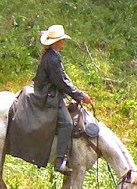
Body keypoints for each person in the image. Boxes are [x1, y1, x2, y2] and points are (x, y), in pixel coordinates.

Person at [33, 24, 93, 174]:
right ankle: (59, 161)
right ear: (57, 42)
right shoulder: (53, 58)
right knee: (67, 123)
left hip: (48, 91)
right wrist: (80, 95)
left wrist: (76, 92)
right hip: (48, 95)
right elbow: (61, 82)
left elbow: (63, 78)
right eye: (61, 40)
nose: (63, 43)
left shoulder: (51, 56)